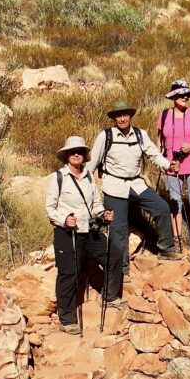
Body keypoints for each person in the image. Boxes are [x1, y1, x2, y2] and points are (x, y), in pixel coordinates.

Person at [90, 101, 181, 281]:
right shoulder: (105, 136)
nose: (122, 119)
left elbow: (153, 154)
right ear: (114, 118)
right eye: (118, 116)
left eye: (125, 115)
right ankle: (121, 268)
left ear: (130, 116)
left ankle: (166, 249)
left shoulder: (140, 134)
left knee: (162, 208)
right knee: (118, 227)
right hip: (114, 186)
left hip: (136, 184)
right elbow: (92, 162)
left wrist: (168, 166)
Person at [45, 135, 125, 335]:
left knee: (114, 255)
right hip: (67, 232)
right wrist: (64, 219)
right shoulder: (58, 178)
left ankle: (110, 295)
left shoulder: (89, 176)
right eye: (72, 152)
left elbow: (96, 203)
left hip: (90, 230)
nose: (76, 154)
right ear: (66, 156)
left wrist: (102, 213)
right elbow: (50, 209)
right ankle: (67, 319)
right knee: (69, 273)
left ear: (84, 155)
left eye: (80, 151)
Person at [157, 80, 190, 246]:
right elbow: (160, 142)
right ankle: (177, 239)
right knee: (175, 202)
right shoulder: (164, 115)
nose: (184, 97)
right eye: (180, 94)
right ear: (174, 96)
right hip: (172, 166)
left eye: (186, 94)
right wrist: (162, 162)